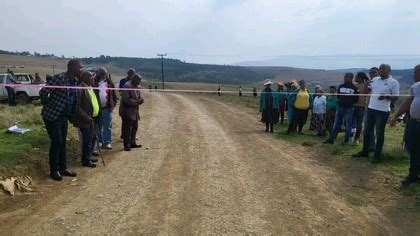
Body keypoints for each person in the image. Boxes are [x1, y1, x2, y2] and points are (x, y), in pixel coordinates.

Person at [39, 59, 81, 181]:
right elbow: (43, 92)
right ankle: (54, 170)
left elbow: (73, 100)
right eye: (80, 67)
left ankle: (63, 168)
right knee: (57, 141)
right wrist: (49, 105)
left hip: (63, 117)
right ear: (73, 68)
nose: (81, 70)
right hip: (52, 116)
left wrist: (71, 115)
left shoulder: (75, 82)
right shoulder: (60, 78)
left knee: (62, 142)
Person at [353, 64, 400, 162]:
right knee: (367, 131)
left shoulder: (393, 82)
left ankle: (377, 156)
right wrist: (366, 85)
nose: (381, 70)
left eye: (384, 69)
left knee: (379, 133)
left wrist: (386, 97)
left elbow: (395, 98)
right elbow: (366, 93)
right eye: (380, 69)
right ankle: (365, 152)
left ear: (389, 71)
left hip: (382, 112)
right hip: (371, 109)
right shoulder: (374, 80)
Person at [390, 65, 420, 186]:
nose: (413, 75)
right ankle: (413, 175)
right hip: (414, 122)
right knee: (413, 148)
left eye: (415, 72)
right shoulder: (416, 86)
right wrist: (396, 116)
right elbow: (407, 102)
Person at [71, 71, 99, 168]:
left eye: (92, 77)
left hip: (92, 118)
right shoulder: (80, 88)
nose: (93, 78)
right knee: (87, 140)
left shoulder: (90, 87)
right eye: (90, 77)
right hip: (84, 119)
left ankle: (88, 156)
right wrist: (87, 117)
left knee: (91, 138)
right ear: (85, 78)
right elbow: (77, 107)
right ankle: (86, 160)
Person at [324, 73, 359, 144]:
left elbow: (356, 99)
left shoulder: (355, 88)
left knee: (348, 125)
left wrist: (348, 102)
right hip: (340, 107)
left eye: (347, 77)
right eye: (345, 77)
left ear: (351, 78)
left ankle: (346, 141)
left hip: (349, 108)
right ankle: (331, 139)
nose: (345, 78)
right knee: (336, 124)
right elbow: (338, 96)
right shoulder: (340, 86)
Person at [93, 67, 117, 150]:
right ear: (98, 74)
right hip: (97, 109)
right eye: (101, 74)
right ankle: (99, 141)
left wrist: (113, 105)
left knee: (108, 126)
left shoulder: (110, 84)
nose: (103, 75)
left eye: (104, 74)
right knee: (98, 126)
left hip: (107, 108)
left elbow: (114, 95)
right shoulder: (94, 83)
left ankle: (107, 143)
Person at [120, 74, 144, 151]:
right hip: (127, 110)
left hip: (135, 110)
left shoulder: (137, 86)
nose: (139, 82)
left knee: (135, 126)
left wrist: (140, 100)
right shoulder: (127, 86)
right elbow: (126, 100)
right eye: (138, 80)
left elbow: (139, 96)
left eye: (140, 81)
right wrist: (137, 102)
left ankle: (132, 143)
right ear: (133, 79)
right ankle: (126, 145)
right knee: (128, 128)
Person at [353, 72, 370, 143]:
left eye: (356, 76)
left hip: (361, 106)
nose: (355, 78)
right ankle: (350, 135)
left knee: (359, 123)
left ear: (360, 78)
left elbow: (366, 94)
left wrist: (366, 85)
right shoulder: (354, 84)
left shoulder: (366, 85)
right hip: (353, 106)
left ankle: (356, 138)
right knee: (351, 121)